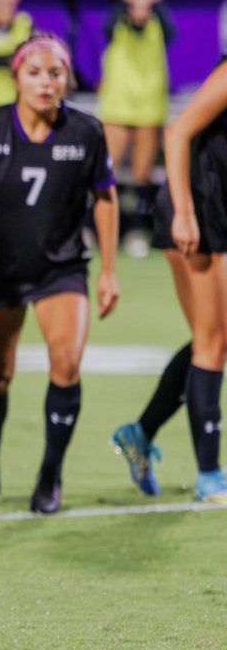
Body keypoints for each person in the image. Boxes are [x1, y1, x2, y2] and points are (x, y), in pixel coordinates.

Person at [0, 34, 119, 514]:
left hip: (61, 268)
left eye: (56, 72)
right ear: (16, 77)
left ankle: (50, 475)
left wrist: (108, 270)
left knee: (65, 365)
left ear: (67, 77)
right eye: (36, 73)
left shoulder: (85, 131)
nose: (47, 82)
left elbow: (104, 197)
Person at [111, 59, 227, 504]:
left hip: (217, 207)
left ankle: (139, 433)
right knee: (211, 342)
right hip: (194, 206)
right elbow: (177, 132)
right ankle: (211, 476)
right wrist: (183, 212)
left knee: (213, 337)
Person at [98, 0, 174, 258]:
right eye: (136, 1)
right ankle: (98, 228)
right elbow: (108, 22)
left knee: (143, 175)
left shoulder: (159, 27)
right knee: (106, 171)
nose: (140, 5)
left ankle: (136, 230)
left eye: (146, 1)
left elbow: (171, 30)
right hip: (118, 109)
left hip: (149, 110)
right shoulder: (116, 25)